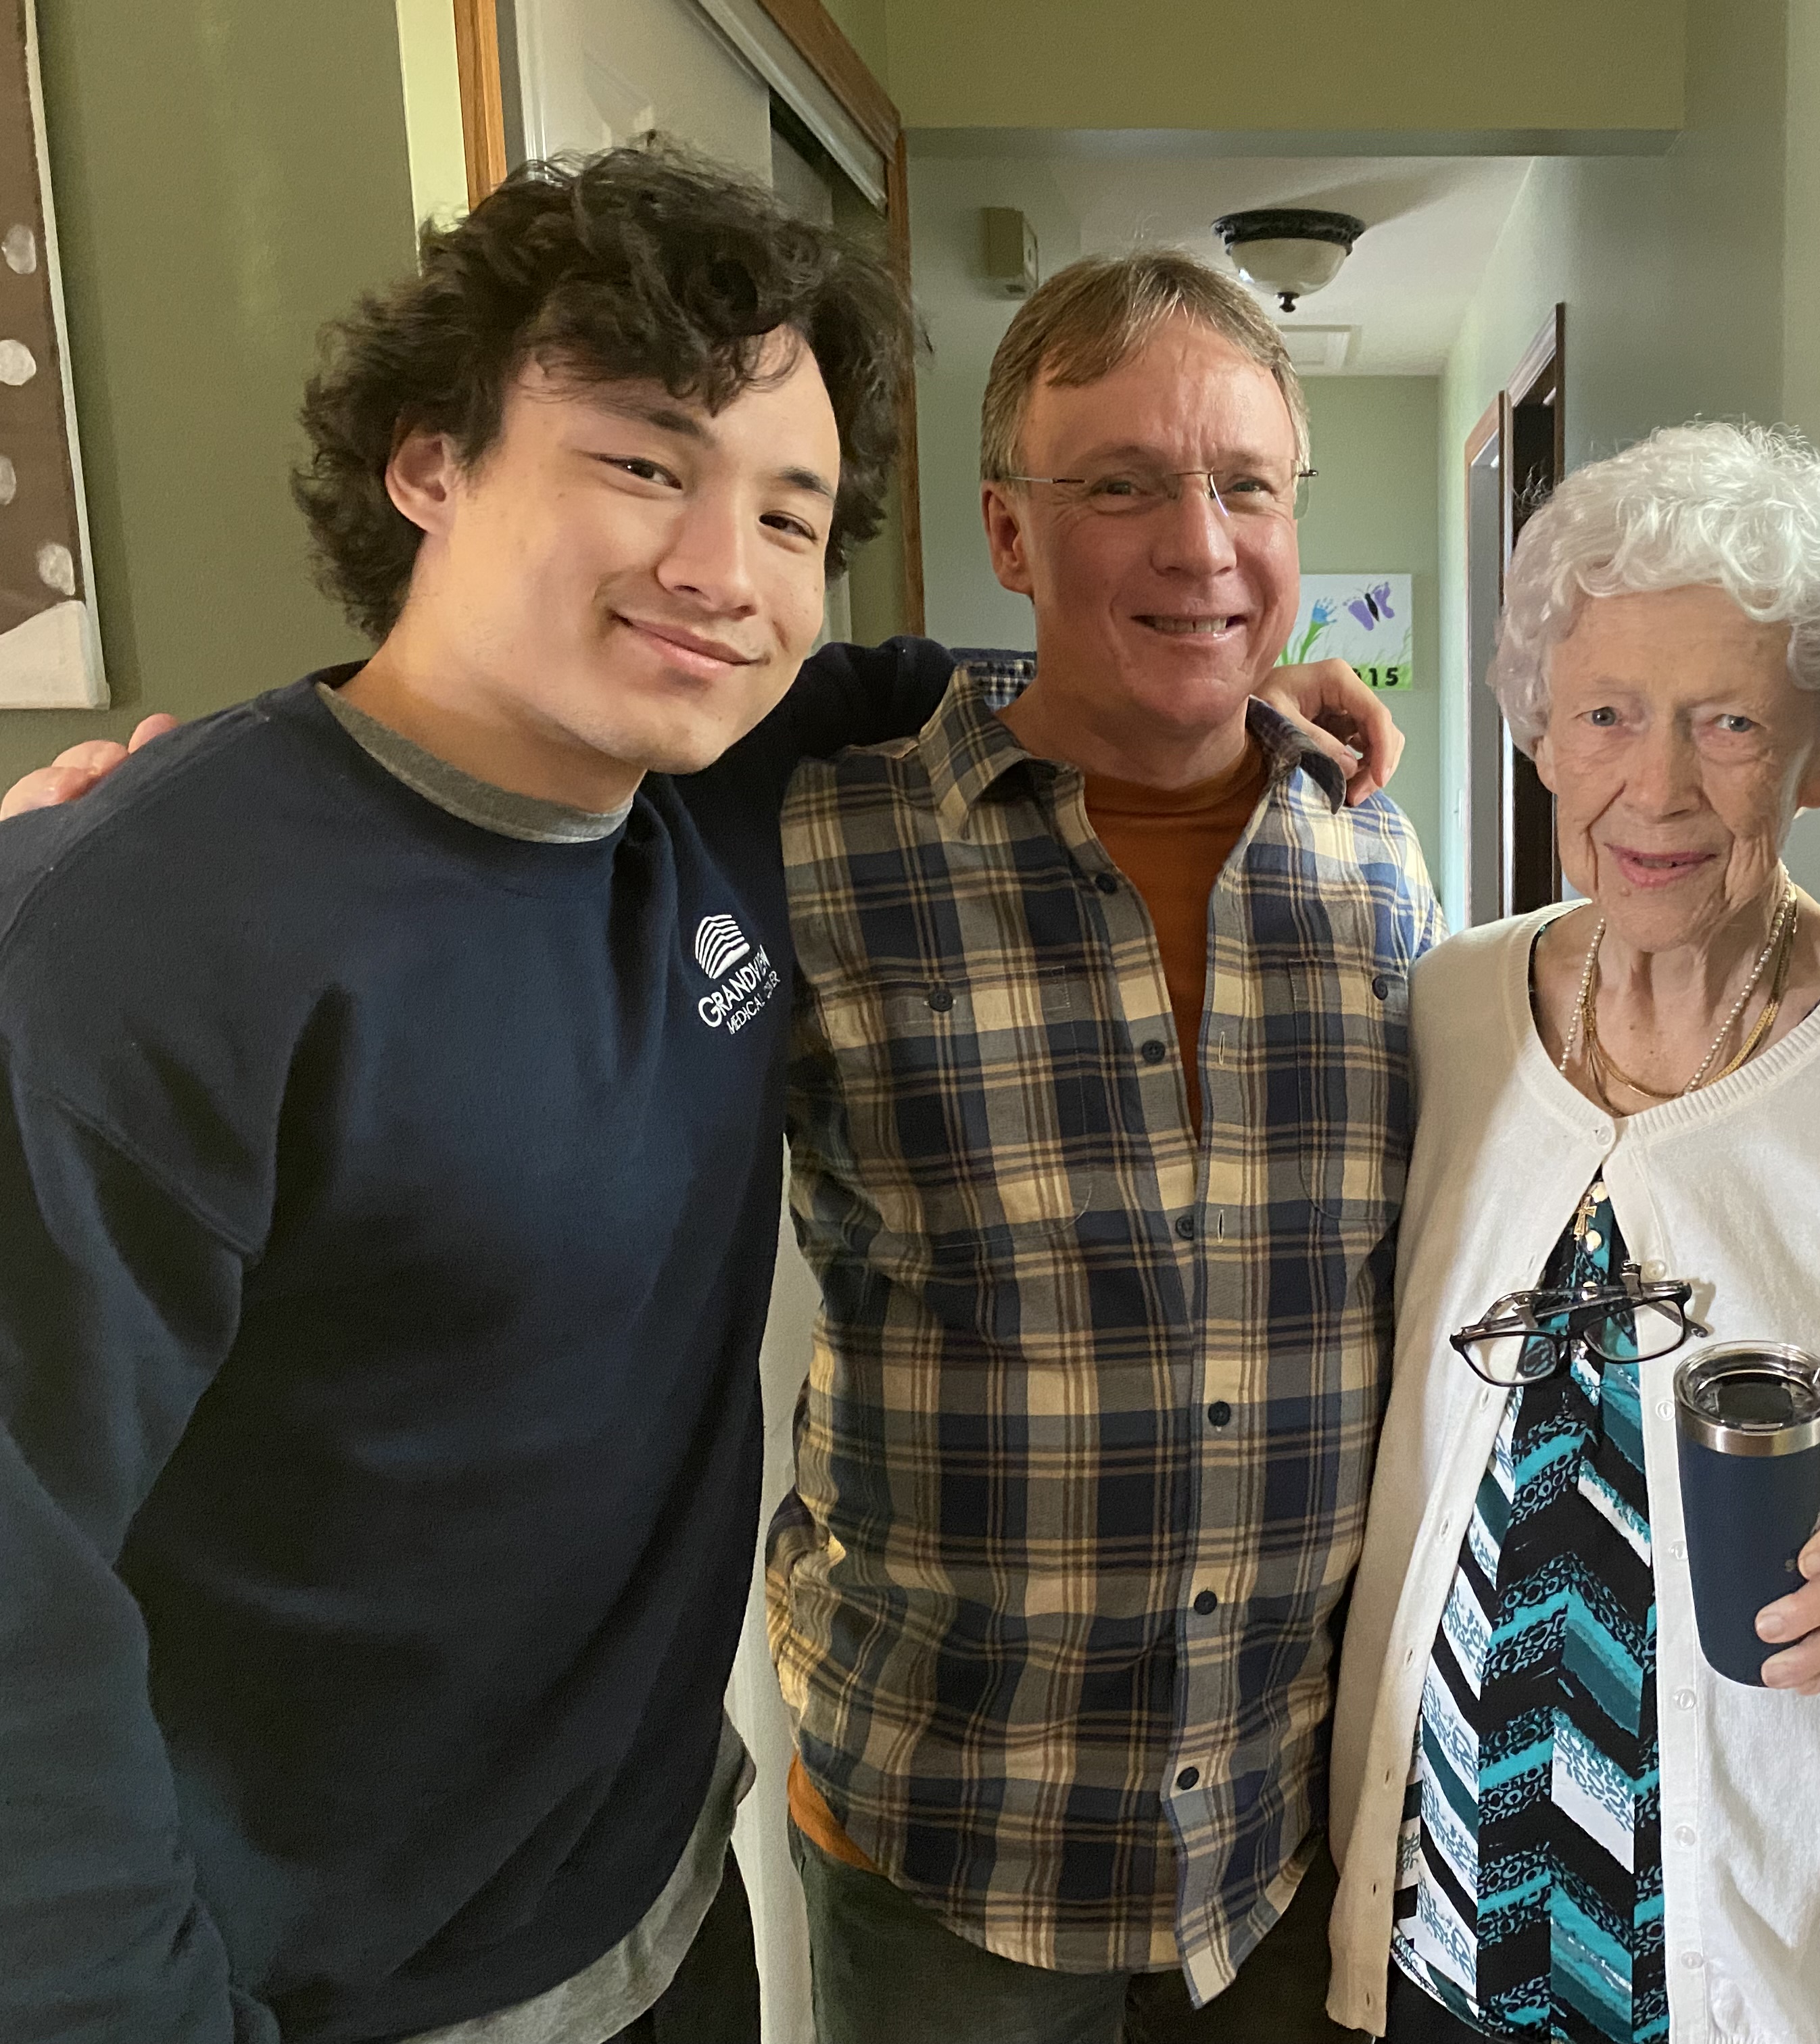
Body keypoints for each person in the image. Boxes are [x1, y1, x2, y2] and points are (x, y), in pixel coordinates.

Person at [0, 153, 1395, 2044]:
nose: (720, 571)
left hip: (667, 1904)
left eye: (789, 514)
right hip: (317, 1981)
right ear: (430, 459)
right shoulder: (146, 929)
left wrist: (1231, 674)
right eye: (645, 464)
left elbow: (1005, 684)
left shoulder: (728, 805)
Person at [765, 249, 1443, 2044]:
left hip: (1279, 1835)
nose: (1198, 545)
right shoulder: (822, 855)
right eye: (1120, 484)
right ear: (1007, 532)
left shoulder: (1381, 863)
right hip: (947, 1833)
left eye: (1245, 486)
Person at [1325, 422, 1820, 2044]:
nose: (1656, 787)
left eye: (1729, 723)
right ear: (1539, 736)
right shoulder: (1451, 1009)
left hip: (1785, 1964)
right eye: (1605, 716)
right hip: (1452, 1921)